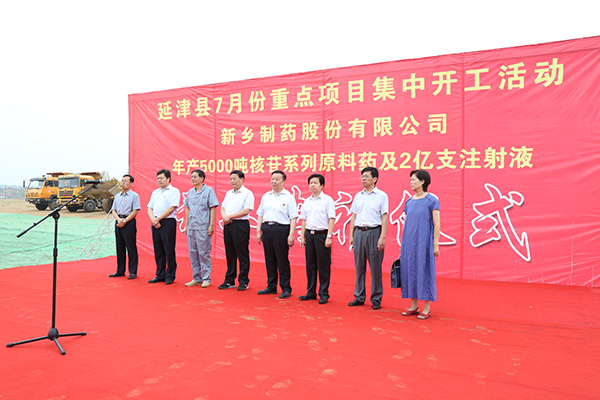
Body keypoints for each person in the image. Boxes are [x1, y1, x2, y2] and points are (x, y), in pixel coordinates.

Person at [399, 170, 440, 320]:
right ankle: (414, 305)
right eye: (410, 179)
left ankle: (426, 307)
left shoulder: (431, 200)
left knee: (425, 271)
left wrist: (435, 244)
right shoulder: (409, 202)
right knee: (410, 271)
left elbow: (437, 224)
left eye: (413, 179)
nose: (411, 182)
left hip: (424, 243)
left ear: (423, 181)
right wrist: (403, 243)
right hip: (409, 244)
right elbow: (406, 223)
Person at [348, 166, 389, 310]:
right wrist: (351, 235)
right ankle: (359, 296)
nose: (363, 179)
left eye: (366, 176)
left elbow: (384, 217)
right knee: (359, 266)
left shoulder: (382, 196)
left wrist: (382, 237)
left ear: (375, 179)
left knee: (375, 267)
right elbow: (354, 216)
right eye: (362, 176)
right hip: (359, 232)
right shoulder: (358, 196)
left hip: (374, 232)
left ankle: (376, 298)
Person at [256, 170, 298, 299]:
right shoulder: (266, 196)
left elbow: (293, 217)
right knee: (269, 259)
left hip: (281, 229)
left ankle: (286, 288)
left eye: (277, 179)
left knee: (282, 259)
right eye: (272, 178)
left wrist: (291, 235)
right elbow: (260, 214)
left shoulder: (288, 197)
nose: (274, 181)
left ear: (284, 181)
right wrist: (258, 231)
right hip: (267, 229)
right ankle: (271, 286)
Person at [298, 174, 335, 304]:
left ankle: (324, 293)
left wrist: (329, 236)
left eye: (315, 183)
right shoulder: (307, 201)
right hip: (309, 235)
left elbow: (331, 219)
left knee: (323, 265)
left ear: (322, 185)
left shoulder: (327, 200)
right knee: (310, 264)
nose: (312, 185)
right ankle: (311, 292)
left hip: (322, 235)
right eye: (310, 183)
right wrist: (302, 236)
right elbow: (304, 220)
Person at [219, 170, 254, 291]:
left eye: (235, 178)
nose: (232, 181)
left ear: (242, 179)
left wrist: (229, 216)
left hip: (240, 225)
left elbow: (246, 210)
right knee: (230, 253)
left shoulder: (247, 193)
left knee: (242, 253)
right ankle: (230, 280)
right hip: (228, 225)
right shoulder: (228, 193)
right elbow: (222, 207)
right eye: (231, 179)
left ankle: (243, 281)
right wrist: (225, 216)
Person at [183, 169, 219, 288]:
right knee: (193, 253)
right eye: (191, 177)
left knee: (203, 253)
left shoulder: (209, 191)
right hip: (191, 227)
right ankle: (196, 278)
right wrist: (186, 225)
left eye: (195, 177)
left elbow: (212, 208)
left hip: (203, 226)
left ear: (202, 178)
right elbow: (187, 209)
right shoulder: (190, 192)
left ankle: (206, 278)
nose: (192, 179)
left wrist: (211, 225)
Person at [147, 169, 181, 285]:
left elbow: (172, 207)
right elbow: (149, 207)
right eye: (158, 178)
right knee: (158, 250)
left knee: (169, 249)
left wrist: (159, 218)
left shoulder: (174, 191)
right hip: (155, 222)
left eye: (161, 178)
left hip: (167, 222)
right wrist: (153, 219)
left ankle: (170, 275)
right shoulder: (155, 192)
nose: (159, 180)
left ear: (168, 179)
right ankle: (160, 274)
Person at [109, 174, 141, 279]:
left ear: (131, 183)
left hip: (129, 222)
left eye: (125, 181)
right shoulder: (117, 196)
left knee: (131, 247)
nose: (123, 183)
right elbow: (113, 210)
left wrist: (125, 220)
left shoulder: (134, 196)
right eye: (122, 181)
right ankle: (120, 270)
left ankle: (133, 271)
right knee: (119, 247)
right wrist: (118, 220)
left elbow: (135, 210)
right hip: (118, 222)